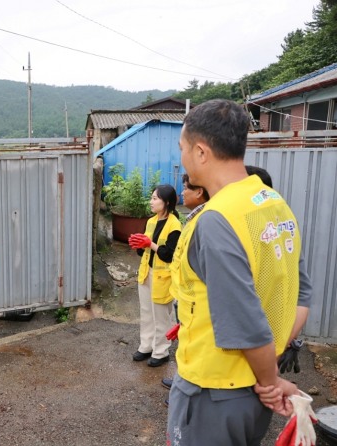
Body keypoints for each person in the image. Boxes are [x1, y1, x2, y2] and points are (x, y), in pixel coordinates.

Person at [167, 99, 313, 444]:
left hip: (213, 390)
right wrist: (270, 370)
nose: (182, 158)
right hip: (251, 393)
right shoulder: (273, 204)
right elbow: (300, 294)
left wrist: (271, 382)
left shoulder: (216, 220)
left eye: (183, 148)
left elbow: (244, 325)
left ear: (201, 152)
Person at [244, 165, 311, 374]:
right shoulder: (279, 226)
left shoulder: (277, 229)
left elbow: (303, 291)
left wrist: (285, 342)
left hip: (259, 344)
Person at [161, 174, 210, 394]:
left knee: (195, 345)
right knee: (185, 343)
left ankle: (186, 389)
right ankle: (183, 379)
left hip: (194, 300)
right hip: (184, 296)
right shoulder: (193, 217)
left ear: (199, 192)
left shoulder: (206, 220)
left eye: (186, 188)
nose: (182, 192)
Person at [128, 184, 181, 367]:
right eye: (151, 198)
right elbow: (144, 251)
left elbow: (169, 255)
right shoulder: (151, 221)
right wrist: (139, 245)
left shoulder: (175, 225)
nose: (151, 202)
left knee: (161, 315)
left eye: (155, 198)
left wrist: (149, 244)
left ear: (166, 202)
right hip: (146, 273)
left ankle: (161, 351)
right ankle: (146, 346)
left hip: (163, 276)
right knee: (146, 312)